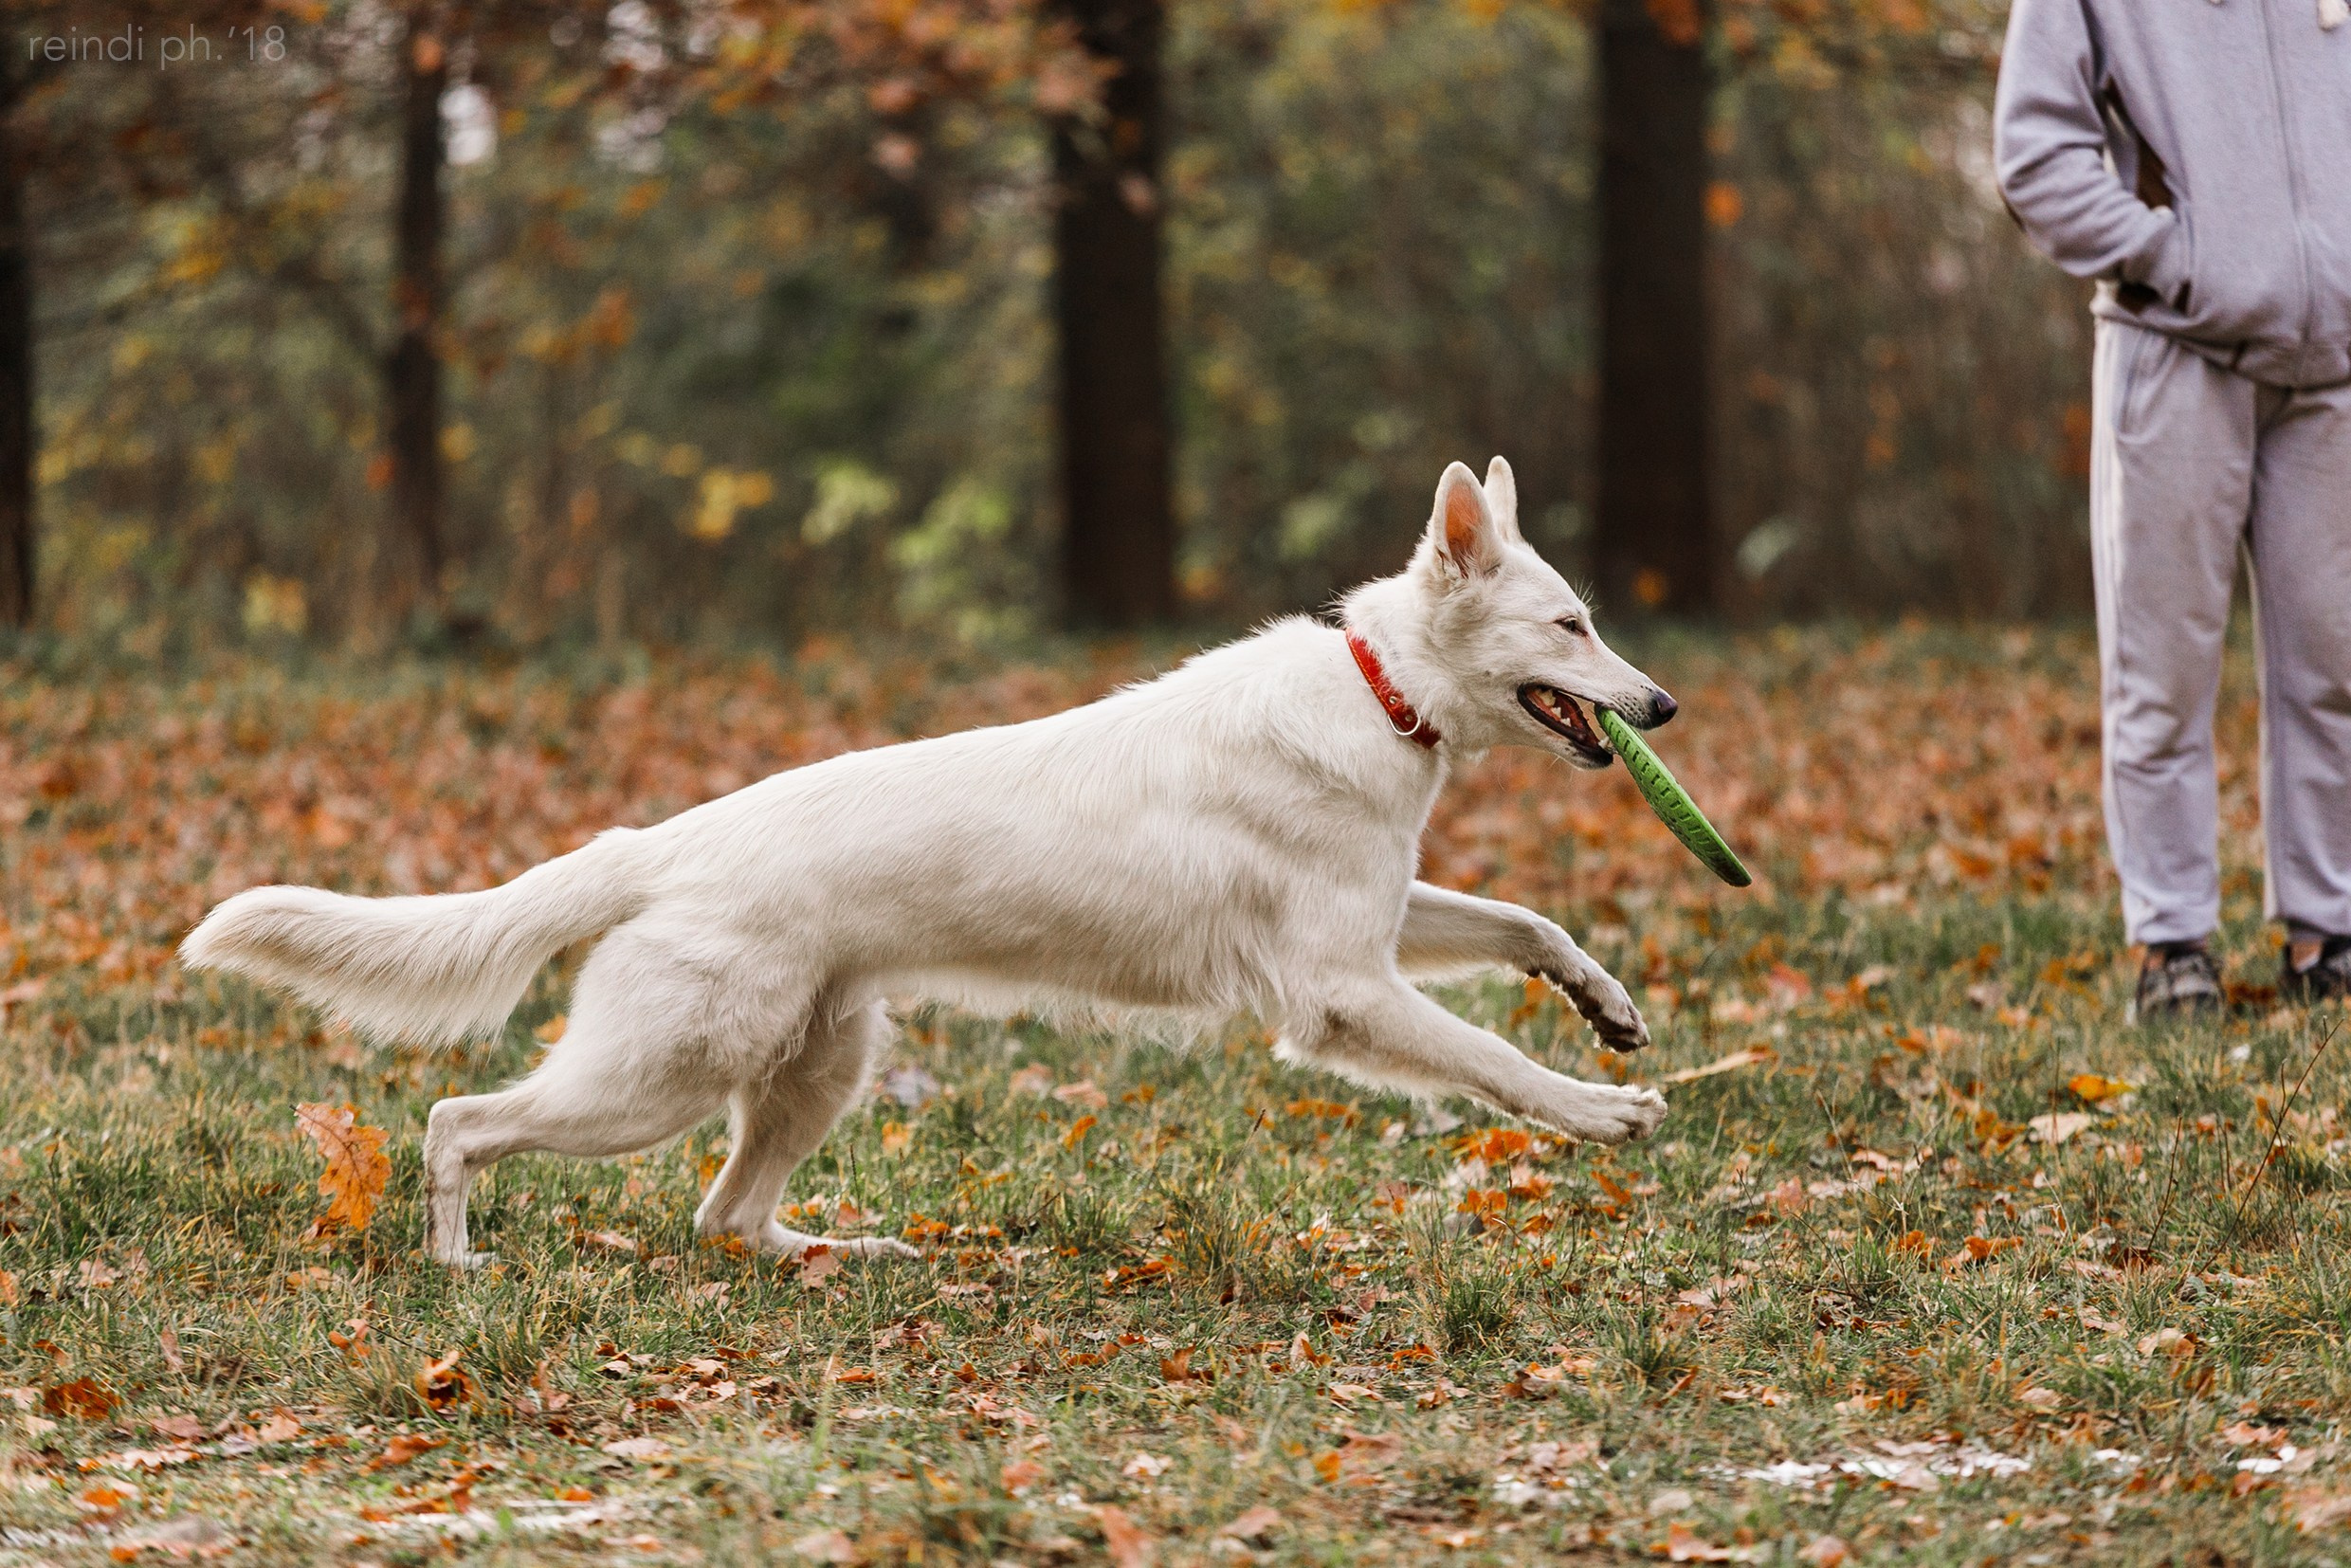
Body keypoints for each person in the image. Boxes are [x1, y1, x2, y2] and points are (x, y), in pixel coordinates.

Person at [1994, 0, 2351, 1018]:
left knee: (2334, 661)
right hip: (2175, 351)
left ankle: (2327, 933)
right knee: (2162, 670)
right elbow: (2033, 153)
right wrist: (2173, 258)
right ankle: (2172, 944)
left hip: (2334, 365)